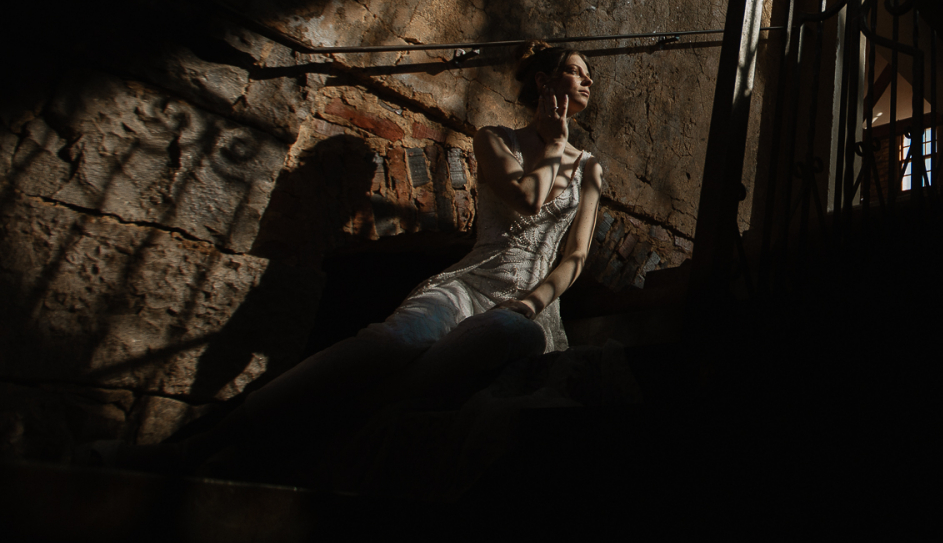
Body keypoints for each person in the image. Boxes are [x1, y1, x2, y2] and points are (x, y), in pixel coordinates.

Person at [96, 44, 605, 472]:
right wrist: (555, 143)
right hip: (470, 281)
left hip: (532, 304)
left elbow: (575, 256)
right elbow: (528, 198)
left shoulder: (589, 169)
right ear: (544, 80)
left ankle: (342, 414)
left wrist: (529, 303)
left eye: (589, 76)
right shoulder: (495, 138)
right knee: (392, 340)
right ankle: (194, 447)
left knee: (502, 333)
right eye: (577, 70)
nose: (587, 81)